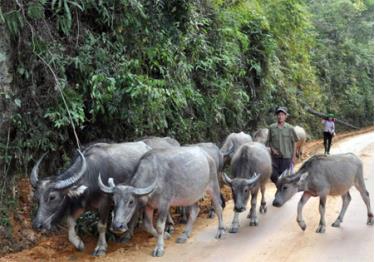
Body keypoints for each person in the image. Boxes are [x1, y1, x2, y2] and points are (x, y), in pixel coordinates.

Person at [266, 106, 298, 185]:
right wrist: (272, 149)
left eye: (282, 115)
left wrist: (293, 157)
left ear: (286, 116)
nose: (280, 116)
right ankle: (279, 187)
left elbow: (295, 142)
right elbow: (269, 141)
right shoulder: (271, 127)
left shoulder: (290, 128)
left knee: (284, 177)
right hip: (274, 158)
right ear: (276, 116)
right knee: (273, 175)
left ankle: (281, 192)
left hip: (286, 157)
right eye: (279, 115)